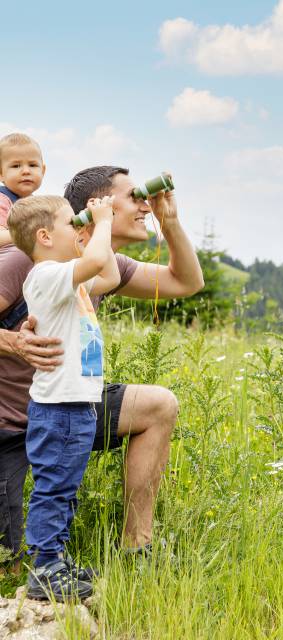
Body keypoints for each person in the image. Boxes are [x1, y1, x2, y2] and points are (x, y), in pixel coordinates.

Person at [0, 166, 204, 573]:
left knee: (157, 405)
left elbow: (185, 283)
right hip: (8, 425)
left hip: (71, 407)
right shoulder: (25, 261)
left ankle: (136, 549)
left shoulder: (100, 264)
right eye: (134, 197)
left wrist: (171, 222)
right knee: (7, 562)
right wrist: (11, 341)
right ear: (95, 207)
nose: (145, 204)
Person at [7, 195, 119, 600]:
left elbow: (105, 272)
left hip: (73, 405)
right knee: (54, 488)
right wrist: (103, 221)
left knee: (65, 487)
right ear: (44, 236)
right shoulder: (45, 275)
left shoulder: (64, 279)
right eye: (71, 223)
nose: (79, 228)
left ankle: (56, 558)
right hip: (60, 408)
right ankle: (45, 569)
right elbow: (92, 263)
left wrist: (90, 231)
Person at [0, 133, 46, 248]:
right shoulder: (2, 200)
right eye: (16, 166)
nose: (26, 171)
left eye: (33, 165)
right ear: (1, 173)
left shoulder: (40, 205)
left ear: (43, 171)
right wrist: (30, 234)